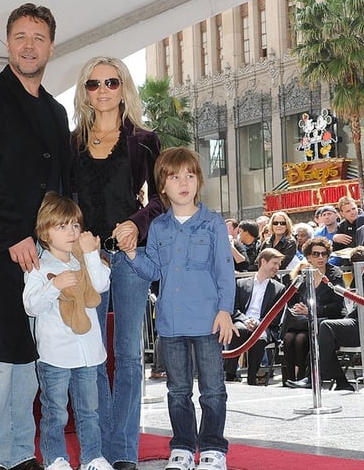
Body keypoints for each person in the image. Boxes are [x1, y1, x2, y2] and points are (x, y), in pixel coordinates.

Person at [0, 3, 68, 470]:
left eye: (38, 38)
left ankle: (24, 453)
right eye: (20, 36)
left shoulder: (57, 112)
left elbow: (62, 183)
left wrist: (64, 242)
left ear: (50, 47)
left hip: (44, 253)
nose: (29, 45)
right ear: (7, 43)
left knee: (30, 358)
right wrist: (13, 234)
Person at [68, 56, 163, 470]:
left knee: (126, 354)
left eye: (111, 81)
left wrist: (135, 224)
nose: (103, 90)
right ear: (84, 91)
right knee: (88, 354)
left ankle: (122, 451)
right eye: (93, 84)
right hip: (84, 257)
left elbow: (161, 198)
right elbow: (62, 199)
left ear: (124, 86)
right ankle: (97, 449)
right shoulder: (70, 142)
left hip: (127, 256)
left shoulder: (144, 140)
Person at [125, 147, 236, 470]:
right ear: (163, 186)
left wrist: (225, 310)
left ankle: (214, 449)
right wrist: (133, 255)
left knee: (213, 390)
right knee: (177, 391)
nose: (183, 183)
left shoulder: (213, 223)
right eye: (175, 177)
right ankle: (184, 447)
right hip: (171, 323)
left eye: (190, 175)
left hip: (208, 321)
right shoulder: (158, 228)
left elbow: (223, 270)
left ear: (199, 181)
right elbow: (154, 271)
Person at [23, 193, 113, 470]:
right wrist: (55, 285)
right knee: (55, 412)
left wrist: (90, 254)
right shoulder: (38, 267)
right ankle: (55, 459)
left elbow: (100, 285)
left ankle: (92, 458)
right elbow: (31, 306)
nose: (71, 232)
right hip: (55, 355)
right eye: (62, 226)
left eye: (75, 225)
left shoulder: (83, 260)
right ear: (45, 232)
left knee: (89, 412)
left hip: (88, 353)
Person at [295, 246, 364, 391]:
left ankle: (321, 378)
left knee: (325, 326)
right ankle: (334, 380)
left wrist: (348, 317)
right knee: (324, 330)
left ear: (356, 265)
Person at [284, 237, 346, 388]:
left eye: (324, 254)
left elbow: (338, 306)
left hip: (330, 321)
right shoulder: (304, 275)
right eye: (316, 254)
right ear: (308, 257)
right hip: (308, 322)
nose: (320, 257)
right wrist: (299, 308)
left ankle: (309, 378)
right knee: (289, 337)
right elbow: (292, 299)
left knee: (304, 338)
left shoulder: (334, 274)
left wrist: (312, 310)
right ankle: (292, 379)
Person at [224, 248, 287, 385]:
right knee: (238, 330)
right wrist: (246, 320)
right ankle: (230, 374)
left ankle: (252, 378)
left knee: (259, 337)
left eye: (279, 264)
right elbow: (233, 309)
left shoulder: (279, 288)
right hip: (243, 321)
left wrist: (259, 323)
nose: (277, 267)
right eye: (274, 263)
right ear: (263, 262)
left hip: (265, 325)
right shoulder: (241, 283)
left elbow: (276, 317)